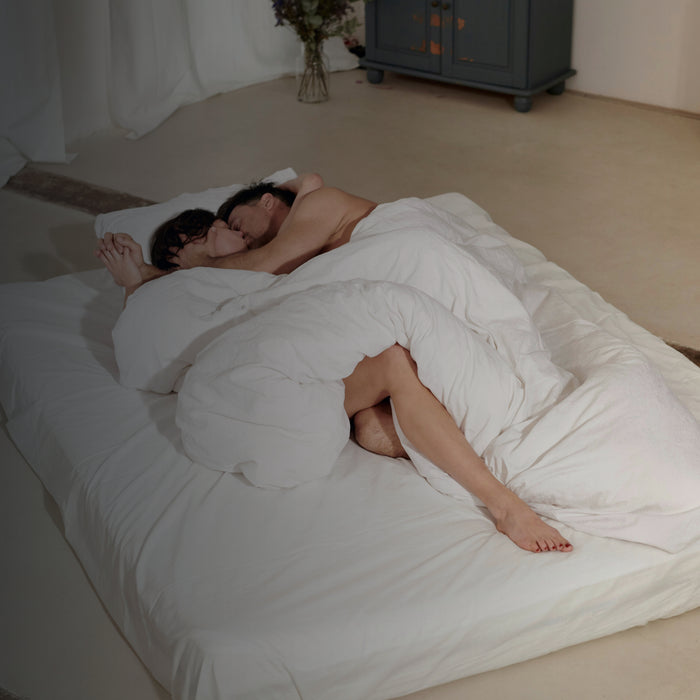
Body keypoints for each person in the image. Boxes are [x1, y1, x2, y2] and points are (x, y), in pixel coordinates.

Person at [96, 174, 573, 554]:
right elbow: (167, 334)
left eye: (236, 223)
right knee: (378, 405)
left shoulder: (303, 223)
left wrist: (157, 275)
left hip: (378, 306)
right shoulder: (233, 275)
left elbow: (291, 225)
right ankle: (482, 476)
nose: (239, 234)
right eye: (225, 230)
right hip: (294, 375)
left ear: (268, 201)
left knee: (395, 369)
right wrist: (146, 282)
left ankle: (492, 489)